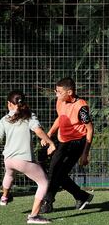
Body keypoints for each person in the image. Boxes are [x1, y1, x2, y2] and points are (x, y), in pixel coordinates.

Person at [0, 90, 56, 224]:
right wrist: (51, 143)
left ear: (9, 104)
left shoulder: (5, 119)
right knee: (44, 182)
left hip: (9, 160)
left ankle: (4, 197)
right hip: (23, 160)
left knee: (9, 174)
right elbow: (38, 131)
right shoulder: (29, 116)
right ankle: (34, 216)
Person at [40, 77, 94, 213]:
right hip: (63, 141)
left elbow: (90, 129)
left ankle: (47, 202)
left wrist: (85, 154)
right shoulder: (60, 101)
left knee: (58, 172)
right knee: (55, 171)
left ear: (69, 92)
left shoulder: (81, 107)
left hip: (77, 143)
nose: (56, 94)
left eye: (59, 91)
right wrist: (49, 133)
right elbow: (60, 117)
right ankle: (81, 196)